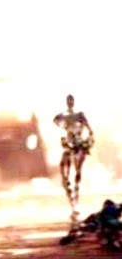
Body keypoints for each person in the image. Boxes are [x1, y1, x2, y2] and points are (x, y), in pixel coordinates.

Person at [53, 94, 95, 222]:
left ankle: (75, 203)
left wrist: (87, 141)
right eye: (68, 100)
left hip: (77, 146)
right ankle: (73, 204)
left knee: (76, 174)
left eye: (71, 100)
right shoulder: (65, 116)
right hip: (70, 146)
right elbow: (56, 121)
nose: (70, 102)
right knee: (66, 175)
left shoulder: (79, 115)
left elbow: (90, 131)